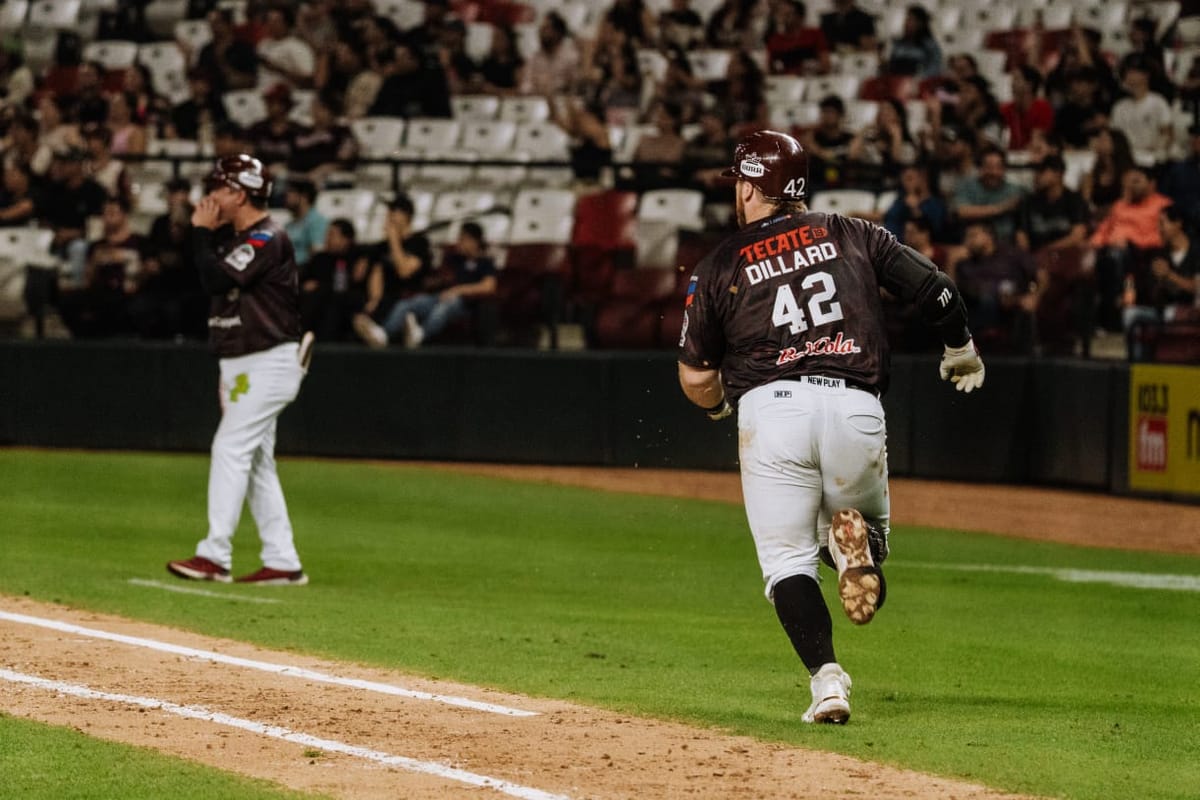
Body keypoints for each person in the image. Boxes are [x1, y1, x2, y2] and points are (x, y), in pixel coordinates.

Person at [676, 130, 984, 724]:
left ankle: (827, 683)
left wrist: (718, 404)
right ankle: (854, 549)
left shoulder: (720, 264)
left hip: (771, 410)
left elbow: (695, 378)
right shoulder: (852, 232)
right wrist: (960, 348)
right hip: (854, 405)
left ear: (749, 186)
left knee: (787, 561)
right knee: (869, 539)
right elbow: (938, 292)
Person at [167, 154, 314, 586]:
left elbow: (216, 281)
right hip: (244, 359)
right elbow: (209, 274)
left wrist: (199, 234)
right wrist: (203, 238)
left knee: (230, 449)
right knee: (256, 463)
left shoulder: (267, 236)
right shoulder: (235, 239)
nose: (210, 195)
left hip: (267, 359)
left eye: (219, 187)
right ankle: (283, 560)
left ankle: (214, 555)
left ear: (239, 192)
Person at [354, 220, 497, 347]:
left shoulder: (485, 262)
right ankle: (383, 334)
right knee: (408, 304)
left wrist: (457, 291)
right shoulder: (454, 259)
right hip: (440, 296)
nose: (459, 242)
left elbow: (488, 286)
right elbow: (442, 279)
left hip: (464, 303)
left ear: (475, 241)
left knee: (445, 307)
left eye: (463, 239)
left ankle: (420, 335)